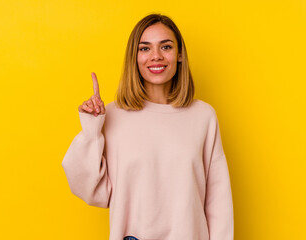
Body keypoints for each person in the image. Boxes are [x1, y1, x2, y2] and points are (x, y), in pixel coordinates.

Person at [62, 13, 234, 240]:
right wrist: (92, 129)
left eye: (166, 47)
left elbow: (218, 202)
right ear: (134, 57)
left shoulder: (203, 116)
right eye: (145, 49)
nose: (156, 56)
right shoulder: (113, 115)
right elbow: (93, 192)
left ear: (180, 54)